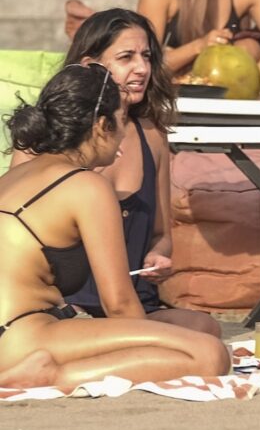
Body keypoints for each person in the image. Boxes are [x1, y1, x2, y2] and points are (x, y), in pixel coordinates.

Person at [0, 65, 229, 391]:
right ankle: (52, 376)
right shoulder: (86, 185)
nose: (123, 138)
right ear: (100, 126)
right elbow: (120, 304)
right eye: (122, 123)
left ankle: (48, 367)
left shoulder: (15, 176)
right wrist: (151, 348)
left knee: (197, 329)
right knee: (208, 355)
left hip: (19, 331)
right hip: (19, 336)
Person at [13, 9, 219, 337]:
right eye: (126, 57)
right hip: (64, 307)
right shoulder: (47, 137)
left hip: (133, 302)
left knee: (203, 328)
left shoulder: (152, 134)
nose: (141, 68)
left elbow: (161, 233)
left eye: (147, 56)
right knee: (197, 350)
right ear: (88, 66)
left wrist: (157, 256)